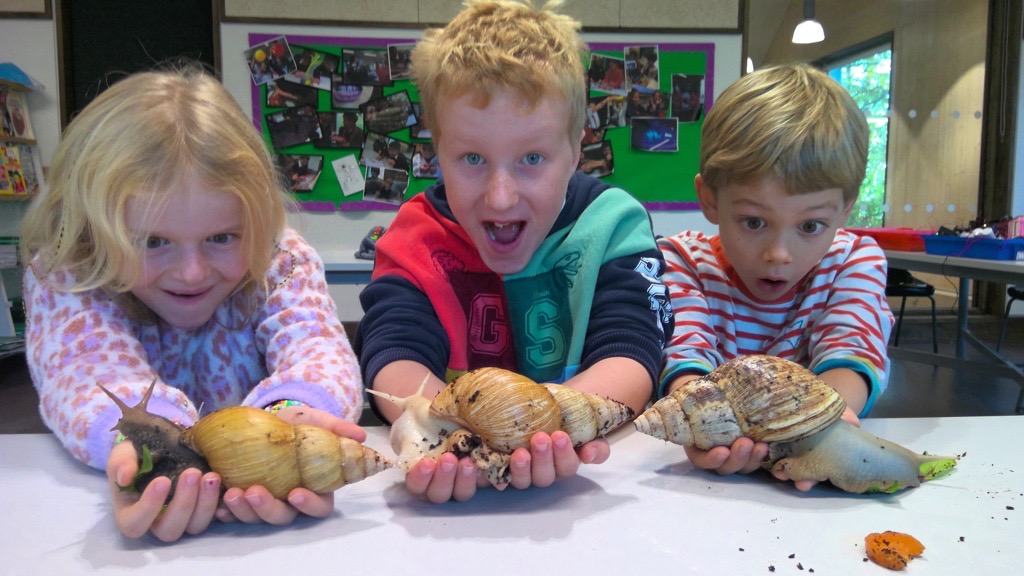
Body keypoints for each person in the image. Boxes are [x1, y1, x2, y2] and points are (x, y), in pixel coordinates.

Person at [19, 66, 365, 541]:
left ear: (257, 220)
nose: (192, 272)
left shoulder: (278, 260)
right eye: (154, 241)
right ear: (92, 233)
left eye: (221, 237)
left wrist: (284, 425)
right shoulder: (70, 272)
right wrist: (157, 453)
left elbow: (317, 350)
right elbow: (87, 374)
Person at [354, 0, 673, 503]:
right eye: (472, 158)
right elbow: (394, 353)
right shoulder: (413, 237)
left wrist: (543, 433)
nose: (500, 196)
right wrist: (461, 442)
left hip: (589, 503)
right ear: (438, 150)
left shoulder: (614, 225)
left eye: (532, 158)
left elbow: (630, 350)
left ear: (575, 148)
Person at [657, 63, 894, 491]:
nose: (778, 254)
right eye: (753, 221)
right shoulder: (683, 262)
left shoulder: (854, 260)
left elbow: (852, 350)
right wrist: (703, 425)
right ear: (709, 199)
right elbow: (685, 354)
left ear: (844, 210)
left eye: (809, 226)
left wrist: (822, 426)